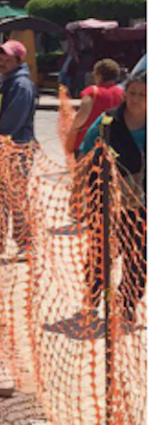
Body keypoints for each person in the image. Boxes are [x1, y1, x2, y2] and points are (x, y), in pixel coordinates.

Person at [78, 70, 146, 323]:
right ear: (125, 93)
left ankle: (128, 303)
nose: (136, 99)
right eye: (132, 93)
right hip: (107, 199)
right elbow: (87, 150)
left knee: (137, 257)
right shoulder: (109, 121)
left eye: (142, 94)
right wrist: (82, 190)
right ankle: (93, 297)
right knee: (102, 250)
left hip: (141, 204)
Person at [0, 39, 37, 260]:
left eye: (6, 57)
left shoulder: (21, 85)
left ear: (18, 59)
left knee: (15, 197)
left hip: (16, 150)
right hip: (2, 148)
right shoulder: (6, 81)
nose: (1, 61)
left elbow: (12, 121)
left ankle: (25, 243)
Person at [65, 58, 125, 157]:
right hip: (113, 142)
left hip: (87, 142)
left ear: (99, 75)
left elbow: (81, 117)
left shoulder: (92, 92)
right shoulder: (122, 93)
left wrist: (71, 132)